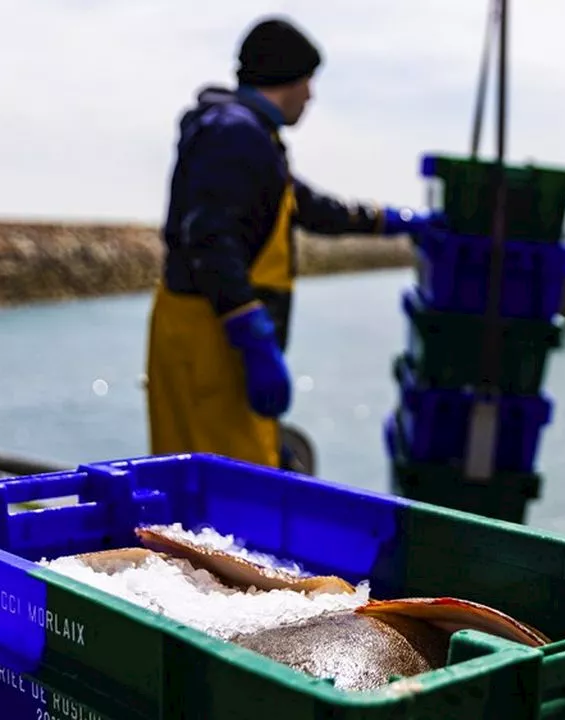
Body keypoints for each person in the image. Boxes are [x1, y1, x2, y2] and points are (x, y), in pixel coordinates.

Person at [146, 16, 435, 470]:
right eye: (308, 81)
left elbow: (309, 207)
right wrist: (250, 332)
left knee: (218, 479)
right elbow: (208, 236)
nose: (312, 95)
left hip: (210, 338)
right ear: (287, 79)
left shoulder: (250, 135)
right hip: (210, 342)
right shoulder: (235, 135)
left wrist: (397, 221)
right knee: (224, 489)